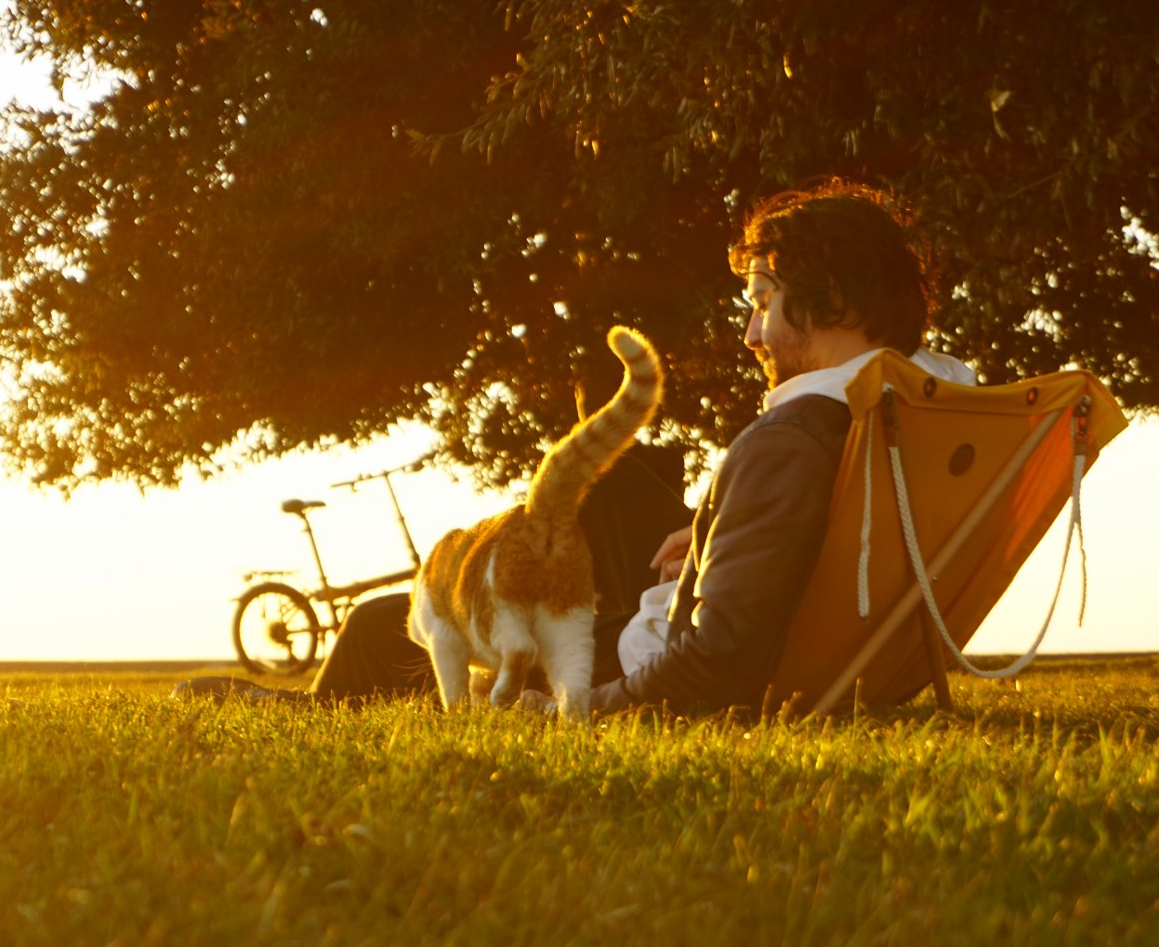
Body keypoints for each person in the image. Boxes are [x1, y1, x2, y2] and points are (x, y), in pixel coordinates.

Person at [175, 180, 973, 713]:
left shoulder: (791, 440)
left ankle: (321, 708)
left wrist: (573, 704)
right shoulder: (909, 405)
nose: (750, 332)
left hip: (635, 661)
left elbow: (718, 663)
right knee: (608, 484)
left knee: (395, 622)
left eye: (763, 302)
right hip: (699, 621)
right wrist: (706, 535)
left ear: (833, 298)